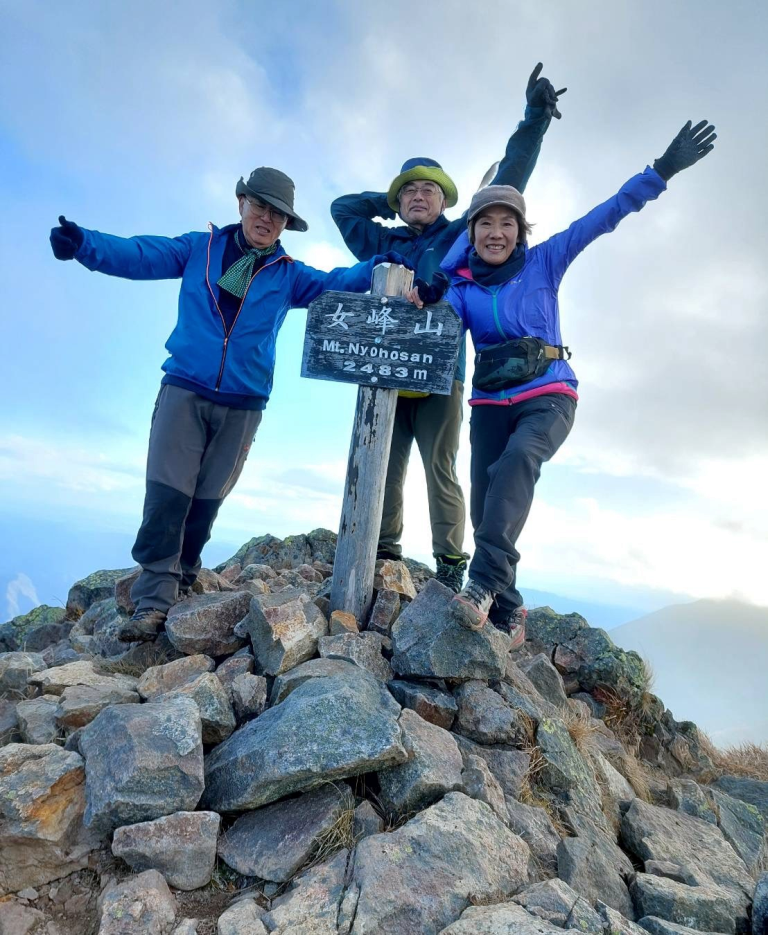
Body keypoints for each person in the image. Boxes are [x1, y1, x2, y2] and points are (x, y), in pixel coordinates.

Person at [50, 167, 405, 641]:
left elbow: (338, 281)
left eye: (277, 214)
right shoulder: (200, 248)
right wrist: (84, 245)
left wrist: (379, 264)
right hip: (185, 388)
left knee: (206, 503)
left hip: (243, 402)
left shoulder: (288, 275)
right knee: (165, 496)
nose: (267, 218)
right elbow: (140, 253)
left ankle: (186, 576)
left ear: (285, 224)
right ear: (240, 202)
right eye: (260, 205)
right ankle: (153, 602)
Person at [408, 119, 718, 648]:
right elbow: (438, 305)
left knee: (518, 461)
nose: (496, 233)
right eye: (485, 224)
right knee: (486, 502)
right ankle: (509, 610)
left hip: (549, 395)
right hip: (489, 401)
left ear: (521, 231)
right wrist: (434, 284)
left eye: (508, 223)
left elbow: (607, 215)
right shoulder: (461, 290)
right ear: (473, 234)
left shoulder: (547, 261)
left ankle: (482, 585)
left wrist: (661, 171)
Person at [331, 64, 567, 591]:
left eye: (429, 191)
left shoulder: (460, 237)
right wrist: (386, 201)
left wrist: (534, 119)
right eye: (409, 192)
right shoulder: (380, 242)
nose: (418, 198)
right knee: (385, 466)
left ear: (445, 201)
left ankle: (449, 562)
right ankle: (385, 552)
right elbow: (341, 209)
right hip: (386, 372)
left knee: (441, 469)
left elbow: (510, 177)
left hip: (442, 372)